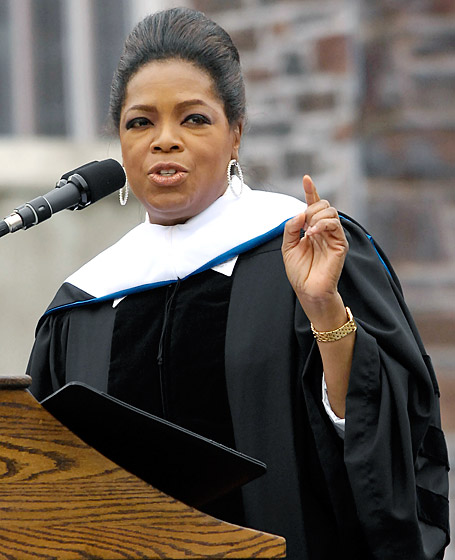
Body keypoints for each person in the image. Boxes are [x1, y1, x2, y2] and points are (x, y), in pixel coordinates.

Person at [27, 7, 449, 560]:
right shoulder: (83, 304)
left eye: (194, 119)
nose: (165, 140)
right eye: (140, 123)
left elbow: (392, 452)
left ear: (236, 134)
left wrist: (325, 312)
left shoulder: (309, 250)